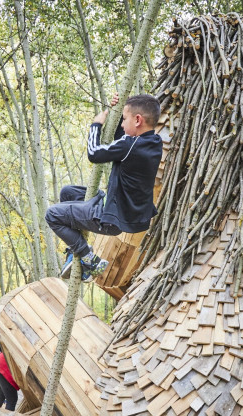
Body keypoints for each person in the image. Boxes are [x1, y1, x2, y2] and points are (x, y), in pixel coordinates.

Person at [46, 93, 163, 282]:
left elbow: (94, 153)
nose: (123, 124)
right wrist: (117, 114)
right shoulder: (153, 142)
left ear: (138, 120)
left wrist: (96, 125)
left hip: (110, 217)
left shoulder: (130, 146)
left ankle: (88, 258)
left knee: (52, 215)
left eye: (124, 119)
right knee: (67, 192)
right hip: (117, 204)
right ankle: (76, 250)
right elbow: (122, 140)